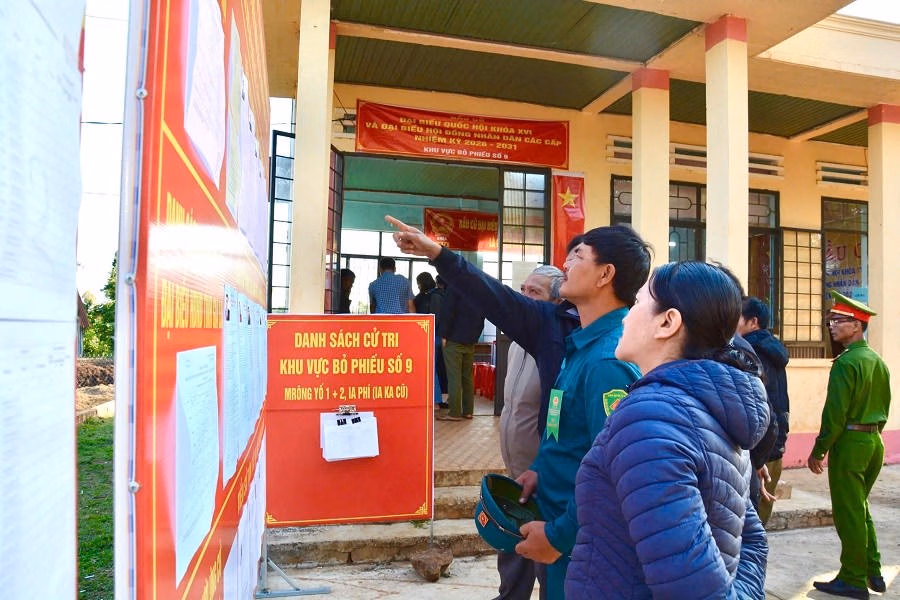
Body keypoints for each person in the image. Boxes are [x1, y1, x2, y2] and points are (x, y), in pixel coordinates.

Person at [387, 215, 651, 599]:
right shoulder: (577, 341)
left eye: (578, 256)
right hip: (557, 520)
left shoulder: (607, 362)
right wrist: (540, 469)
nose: (566, 264)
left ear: (605, 274)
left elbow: (613, 472)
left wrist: (559, 536)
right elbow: (565, 431)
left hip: (581, 543)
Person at [567, 261, 770, 599]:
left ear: (667, 322)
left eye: (637, 303)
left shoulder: (650, 420)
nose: (626, 317)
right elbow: (751, 539)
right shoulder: (709, 408)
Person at [808, 290, 891, 600]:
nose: (832, 325)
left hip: (851, 443)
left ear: (857, 325)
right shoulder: (877, 361)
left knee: (849, 513)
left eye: (839, 320)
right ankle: (872, 570)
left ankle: (853, 579)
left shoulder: (846, 363)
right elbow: (885, 406)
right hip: (874, 441)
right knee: (860, 508)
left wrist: (819, 449)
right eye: (831, 320)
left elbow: (835, 414)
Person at [496, 264, 564, 600]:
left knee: (545, 557)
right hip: (516, 470)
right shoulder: (515, 344)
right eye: (522, 290)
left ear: (555, 303)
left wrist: (544, 465)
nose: (524, 298)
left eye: (534, 293)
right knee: (512, 543)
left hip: (543, 475)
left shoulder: (556, 348)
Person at [738, 296, 790, 524]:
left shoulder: (751, 352)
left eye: (736, 317)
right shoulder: (770, 349)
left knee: (751, 522)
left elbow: (762, 407)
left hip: (760, 448)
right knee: (759, 521)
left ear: (753, 322)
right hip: (773, 444)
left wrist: (758, 459)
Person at [435, 281, 485, 420]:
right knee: (467, 377)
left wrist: (444, 334)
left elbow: (448, 312)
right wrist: (475, 336)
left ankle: (454, 412)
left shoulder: (454, 287)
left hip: (453, 339)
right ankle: (468, 411)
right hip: (470, 340)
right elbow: (482, 315)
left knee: (454, 376)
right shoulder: (476, 290)